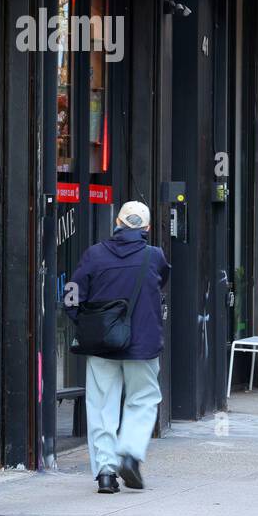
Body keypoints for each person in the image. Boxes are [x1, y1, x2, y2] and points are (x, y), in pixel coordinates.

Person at [66, 200, 170, 493]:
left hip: (102, 345)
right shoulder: (155, 256)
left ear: (118, 223)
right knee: (144, 399)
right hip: (143, 344)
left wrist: (88, 326)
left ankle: (106, 473)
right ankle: (130, 452)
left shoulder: (94, 255)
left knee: (101, 406)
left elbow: (72, 296)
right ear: (147, 228)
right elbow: (160, 285)